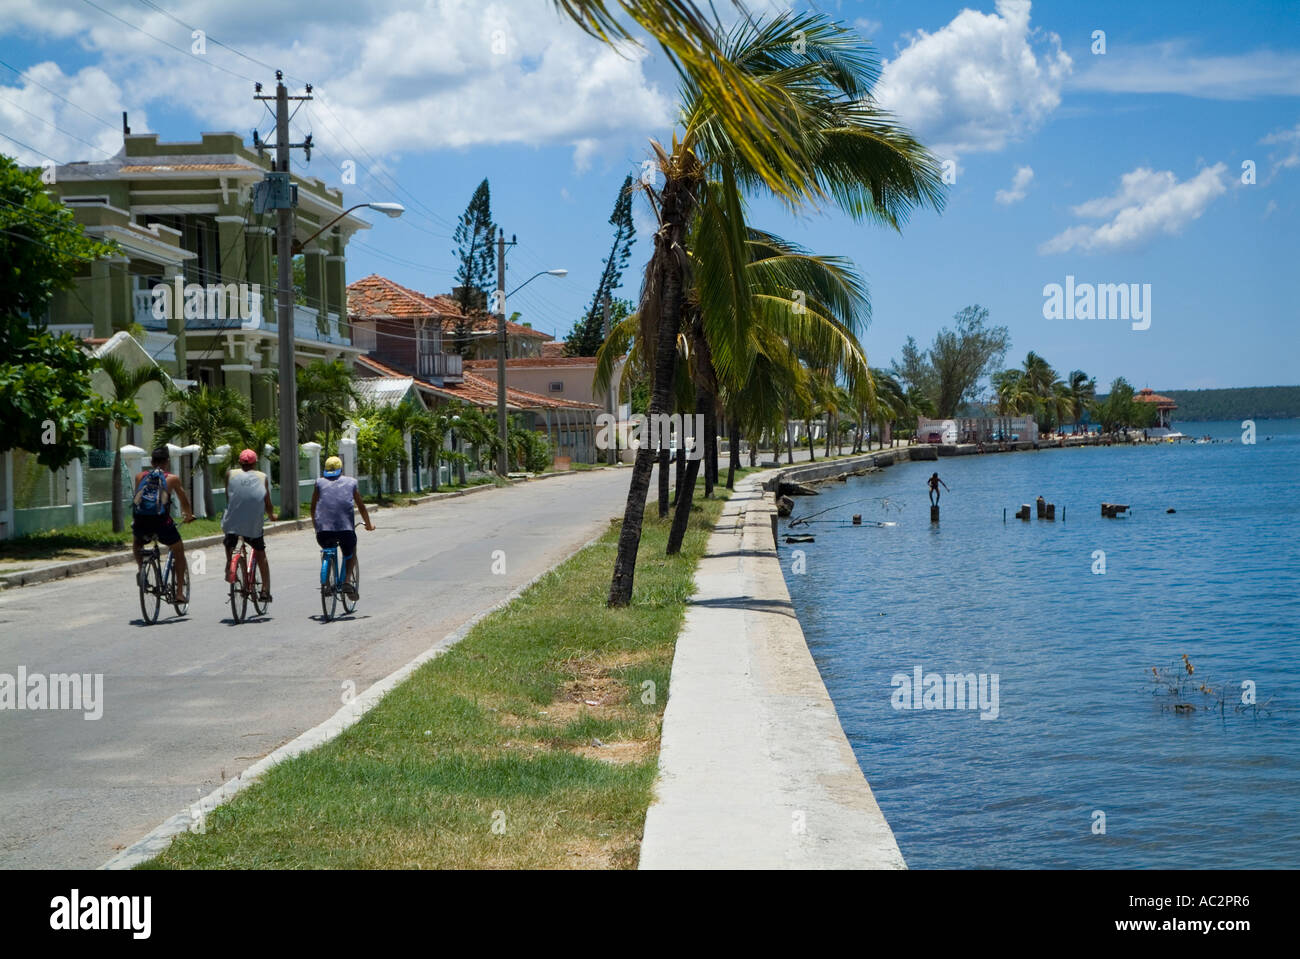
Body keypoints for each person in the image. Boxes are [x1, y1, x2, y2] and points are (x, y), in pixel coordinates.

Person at [132, 447, 194, 601]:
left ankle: (141, 569)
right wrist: (188, 515)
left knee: (137, 542)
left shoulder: (140, 476)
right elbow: (184, 500)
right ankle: (179, 593)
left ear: (151, 462)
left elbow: (138, 500)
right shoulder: (172, 479)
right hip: (161, 523)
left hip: (141, 521)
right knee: (178, 550)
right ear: (167, 461)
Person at [310, 455, 374, 599]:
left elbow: (313, 507)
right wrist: (368, 525)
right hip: (345, 530)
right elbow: (362, 507)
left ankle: (326, 579)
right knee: (351, 550)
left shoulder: (319, 483)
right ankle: (346, 582)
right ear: (341, 469)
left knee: (327, 548)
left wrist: (316, 526)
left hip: (323, 531)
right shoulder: (351, 482)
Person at [222, 448, 277, 603]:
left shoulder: (230, 474)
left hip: (232, 521)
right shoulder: (262, 477)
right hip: (253, 524)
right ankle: (265, 590)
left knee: (229, 540)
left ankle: (229, 565)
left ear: (240, 462)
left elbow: (229, 496)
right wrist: (271, 515)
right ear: (255, 463)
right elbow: (267, 502)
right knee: (261, 554)